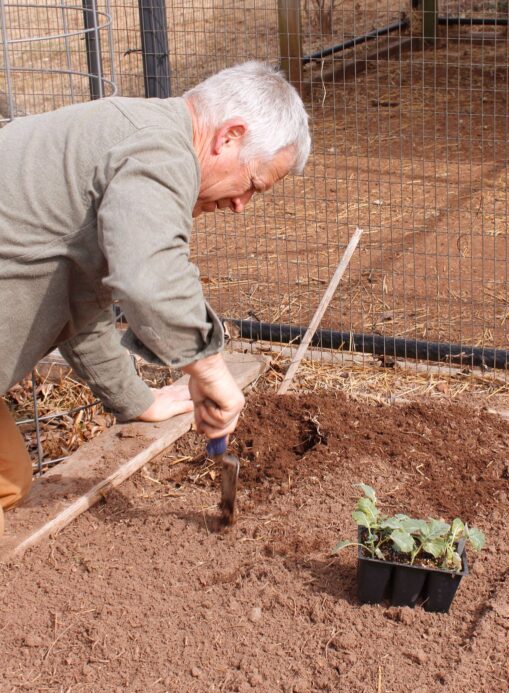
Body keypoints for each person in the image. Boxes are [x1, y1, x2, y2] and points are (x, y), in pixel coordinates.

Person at [0, 61, 310, 533]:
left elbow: (79, 301)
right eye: (253, 184)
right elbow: (149, 275)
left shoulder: (138, 132)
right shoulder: (160, 151)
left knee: (9, 479)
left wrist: (134, 397)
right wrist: (209, 368)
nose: (241, 206)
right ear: (229, 136)